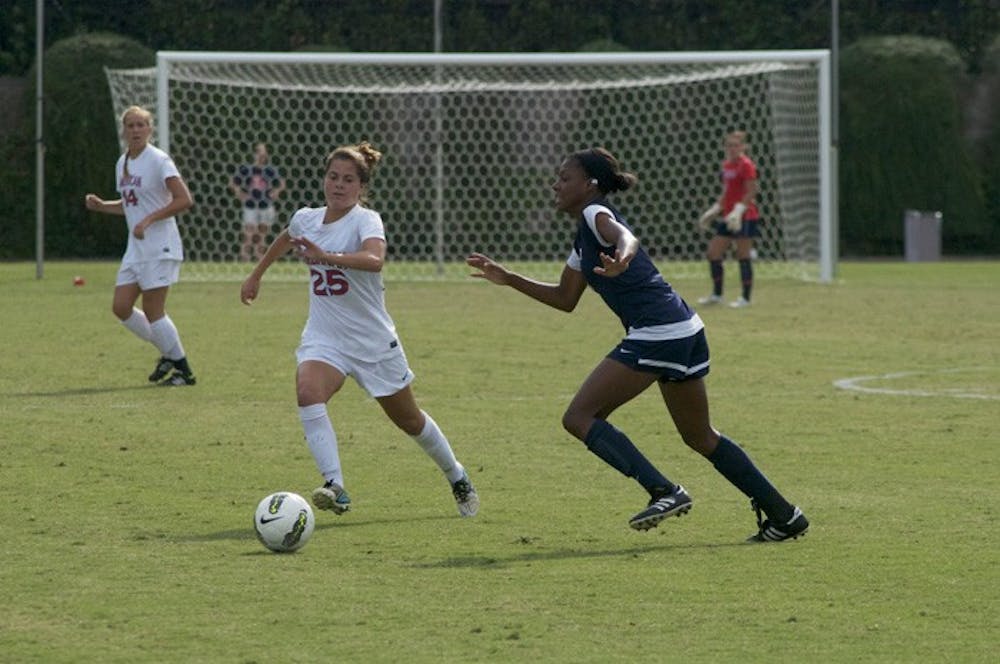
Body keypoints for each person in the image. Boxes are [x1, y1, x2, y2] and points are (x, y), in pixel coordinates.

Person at [466, 147, 807, 542]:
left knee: (579, 417)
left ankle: (664, 491)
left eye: (564, 178)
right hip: (686, 329)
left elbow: (626, 236)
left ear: (590, 185)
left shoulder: (596, 214)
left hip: (657, 332)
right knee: (700, 436)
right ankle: (785, 516)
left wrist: (624, 259)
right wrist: (508, 277)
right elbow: (564, 299)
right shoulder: (583, 239)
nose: (555, 185)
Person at [240, 141, 479, 518]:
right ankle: (335, 485)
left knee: (409, 420)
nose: (338, 185)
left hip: (371, 342)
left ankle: (456, 474)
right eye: (333, 177)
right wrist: (256, 275)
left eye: (348, 180)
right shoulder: (307, 217)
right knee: (307, 390)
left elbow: (375, 259)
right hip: (325, 338)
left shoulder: (366, 220)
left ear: (361, 187)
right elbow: (286, 238)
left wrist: (326, 257)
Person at [84, 105, 197, 387]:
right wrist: (102, 207)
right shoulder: (122, 163)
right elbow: (130, 206)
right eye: (130, 125)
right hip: (136, 249)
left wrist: (149, 220)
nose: (135, 130)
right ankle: (170, 355)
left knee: (153, 309)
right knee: (121, 307)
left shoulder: (159, 160)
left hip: (160, 247)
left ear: (149, 130)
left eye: (140, 125)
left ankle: (183, 368)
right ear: (124, 131)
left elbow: (184, 200)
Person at [696, 130, 761, 308]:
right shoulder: (726, 166)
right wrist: (714, 209)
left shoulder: (746, 165)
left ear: (743, 147)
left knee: (742, 255)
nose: (732, 148)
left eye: (736, 145)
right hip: (728, 216)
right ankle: (717, 295)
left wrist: (739, 210)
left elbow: (752, 190)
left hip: (745, 216)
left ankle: (745, 298)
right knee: (713, 253)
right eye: (729, 145)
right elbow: (727, 192)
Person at [230, 142, 285, 262]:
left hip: (265, 205)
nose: (262, 154)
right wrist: (240, 193)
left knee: (262, 234)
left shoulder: (269, 170)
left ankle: (259, 258)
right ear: (254, 154)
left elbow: (281, 184)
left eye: (263, 152)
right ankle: (245, 258)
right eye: (259, 151)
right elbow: (233, 182)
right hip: (250, 205)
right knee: (248, 232)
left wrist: (275, 192)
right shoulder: (247, 169)